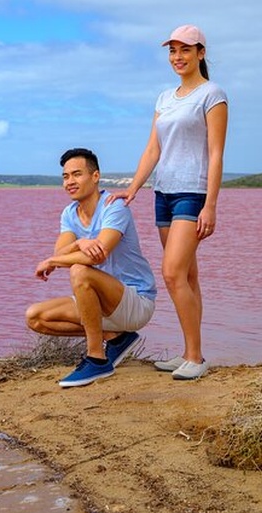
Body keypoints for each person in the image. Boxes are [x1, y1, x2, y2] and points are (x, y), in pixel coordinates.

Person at [107, 24, 228, 380]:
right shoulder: (164, 98)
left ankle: (196, 359)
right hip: (163, 194)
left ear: (201, 53)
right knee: (187, 275)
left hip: (193, 193)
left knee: (172, 273)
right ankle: (190, 353)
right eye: (173, 50)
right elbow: (153, 149)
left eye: (185, 49)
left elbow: (216, 153)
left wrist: (211, 205)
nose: (178, 56)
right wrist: (133, 188)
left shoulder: (212, 95)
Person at [26, 148, 157, 388]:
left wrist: (54, 262)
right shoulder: (69, 214)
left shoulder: (114, 206)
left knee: (79, 270)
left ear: (95, 176)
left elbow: (98, 255)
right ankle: (116, 338)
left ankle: (97, 358)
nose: (69, 182)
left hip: (135, 301)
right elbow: (60, 253)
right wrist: (78, 243)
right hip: (100, 304)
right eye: (65, 176)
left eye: (77, 174)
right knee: (35, 317)